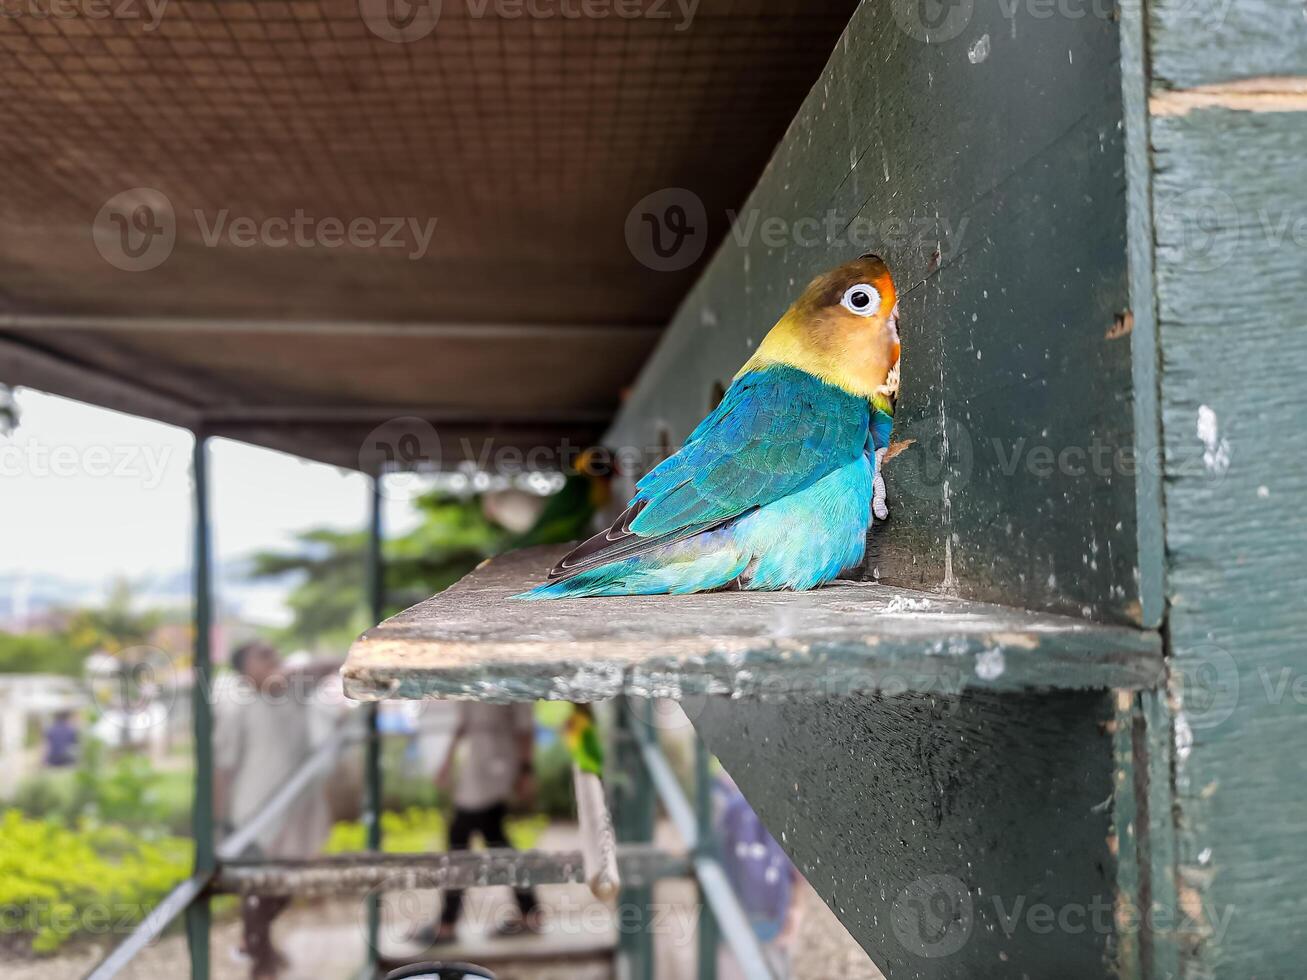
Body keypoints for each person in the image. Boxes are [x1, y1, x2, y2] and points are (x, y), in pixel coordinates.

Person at [213, 641, 338, 980]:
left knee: (289, 882)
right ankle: (261, 961)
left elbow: (336, 661)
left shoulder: (295, 690)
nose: (273, 659)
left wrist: (296, 670)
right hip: (255, 813)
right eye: (262, 656)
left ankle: (254, 944)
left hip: (298, 809)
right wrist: (220, 821)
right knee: (260, 885)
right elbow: (222, 768)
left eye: (274, 653)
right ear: (244, 671)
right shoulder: (237, 708)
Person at [424, 702, 541, 943]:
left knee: (461, 838)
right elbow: (464, 722)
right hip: (476, 764)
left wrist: (526, 770)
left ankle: (448, 923)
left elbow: (525, 727)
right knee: (495, 841)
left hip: (497, 764)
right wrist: (447, 761)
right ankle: (530, 912)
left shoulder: (512, 678)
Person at [715, 772, 804, 979]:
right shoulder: (734, 809)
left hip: (771, 918)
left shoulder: (787, 808)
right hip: (741, 918)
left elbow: (796, 869)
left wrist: (797, 908)